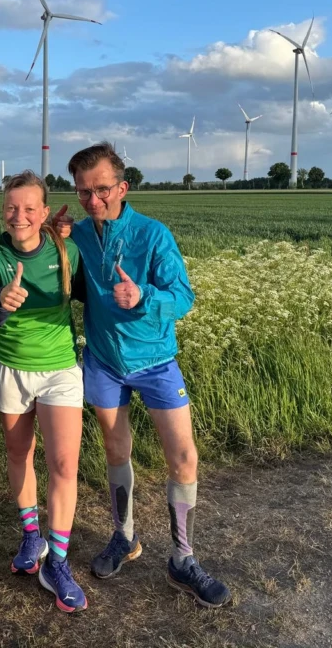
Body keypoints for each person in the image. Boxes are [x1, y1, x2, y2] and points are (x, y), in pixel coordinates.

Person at [59, 141, 231, 608]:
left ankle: (183, 559)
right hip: (103, 362)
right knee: (116, 451)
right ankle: (125, 537)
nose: (93, 200)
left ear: (123, 187)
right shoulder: (79, 235)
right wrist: (55, 236)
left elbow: (184, 297)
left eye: (101, 189)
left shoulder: (153, 235)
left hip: (156, 361)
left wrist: (144, 297)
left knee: (184, 457)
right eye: (83, 192)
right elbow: (64, 276)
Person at [0, 170, 87, 612]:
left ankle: (57, 562)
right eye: (11, 207)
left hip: (60, 368)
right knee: (18, 454)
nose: (18, 215)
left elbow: (89, 292)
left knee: (63, 464)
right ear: (3, 211)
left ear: (44, 213)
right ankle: (31, 536)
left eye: (28, 208)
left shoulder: (67, 251)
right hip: (10, 367)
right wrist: (2, 304)